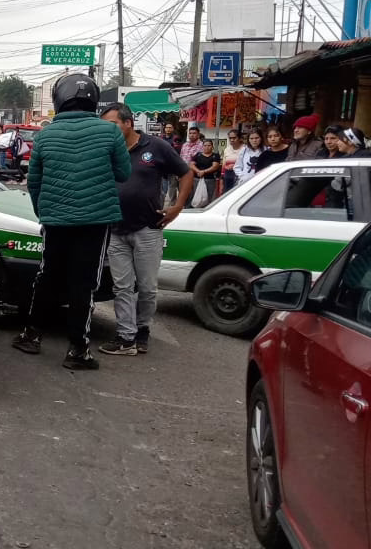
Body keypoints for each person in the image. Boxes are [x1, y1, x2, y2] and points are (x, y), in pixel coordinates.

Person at [11, 74, 130, 370]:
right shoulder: (110, 133)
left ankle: (31, 335)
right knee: (84, 283)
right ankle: (77, 350)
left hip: (55, 220)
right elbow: (123, 173)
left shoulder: (44, 136)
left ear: (59, 99)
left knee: (47, 275)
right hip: (96, 220)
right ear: (93, 99)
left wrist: (45, 213)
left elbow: (34, 183)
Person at [97, 103, 195, 356]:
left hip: (148, 228)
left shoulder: (156, 147)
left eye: (112, 125)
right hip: (116, 229)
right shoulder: (107, 150)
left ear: (128, 123)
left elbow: (185, 174)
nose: (108, 130)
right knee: (122, 287)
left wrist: (177, 206)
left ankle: (142, 330)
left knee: (148, 287)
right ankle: (125, 337)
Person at [191, 139, 221, 207]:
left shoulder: (215, 155)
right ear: (202, 146)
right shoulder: (198, 155)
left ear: (212, 147)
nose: (207, 147)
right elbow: (191, 164)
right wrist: (198, 171)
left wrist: (204, 171)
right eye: (205, 145)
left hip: (210, 179)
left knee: (209, 197)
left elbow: (215, 166)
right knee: (197, 196)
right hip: (197, 179)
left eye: (209, 145)